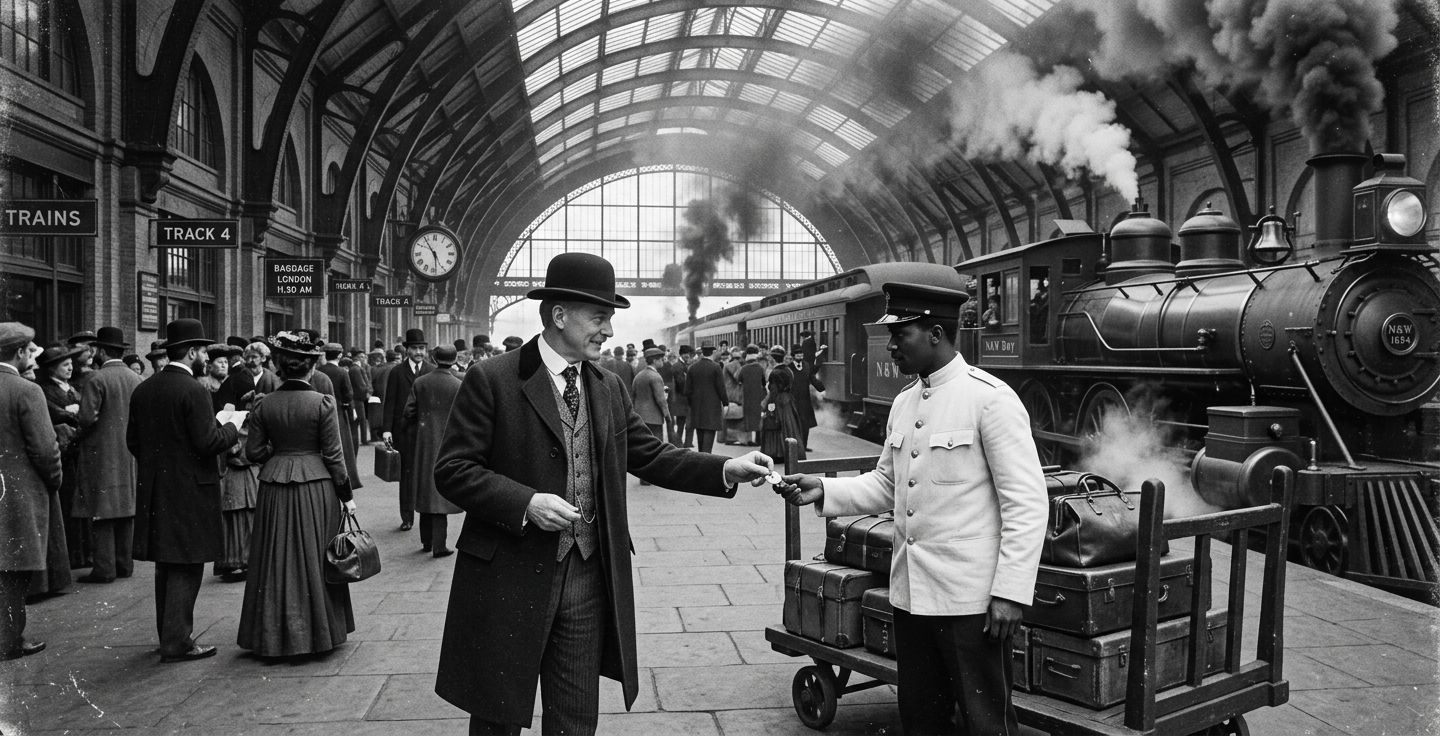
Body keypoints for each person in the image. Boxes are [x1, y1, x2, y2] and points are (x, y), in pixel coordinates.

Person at [431, 252, 774, 736]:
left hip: (589, 576)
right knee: (497, 716)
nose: (608, 330)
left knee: (576, 716)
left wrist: (726, 468)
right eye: (599, 317)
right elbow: (453, 470)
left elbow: (651, 455)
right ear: (559, 316)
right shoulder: (494, 379)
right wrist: (525, 502)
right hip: (509, 573)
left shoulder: (607, 386)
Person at [779, 283, 1048, 736]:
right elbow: (887, 483)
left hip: (971, 603)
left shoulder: (991, 400)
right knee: (922, 717)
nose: (891, 344)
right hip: (911, 597)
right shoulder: (905, 403)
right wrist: (823, 490)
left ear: (936, 334)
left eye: (901, 333)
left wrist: (1010, 593)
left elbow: (1026, 503)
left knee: (986, 725)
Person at [127, 318, 242, 663]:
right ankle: (178, 642)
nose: (206, 357)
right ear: (191, 352)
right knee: (187, 564)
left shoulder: (144, 389)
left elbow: (133, 442)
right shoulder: (194, 390)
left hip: (156, 490)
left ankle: (168, 635)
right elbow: (208, 443)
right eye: (203, 351)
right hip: (191, 490)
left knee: (166, 563)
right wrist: (232, 427)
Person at [237, 331, 356, 657]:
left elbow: (254, 451)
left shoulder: (263, 403)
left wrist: (281, 453)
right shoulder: (322, 403)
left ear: (280, 367)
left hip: (274, 486)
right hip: (316, 487)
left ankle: (273, 635)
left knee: (274, 558)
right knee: (316, 557)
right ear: (309, 369)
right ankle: (317, 633)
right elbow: (335, 457)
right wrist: (347, 496)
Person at [0, 323, 61, 660]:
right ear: (20, 352)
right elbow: (46, 449)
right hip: (18, 495)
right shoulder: (26, 390)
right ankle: (9, 639)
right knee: (14, 569)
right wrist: (54, 480)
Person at [75, 326, 143, 584]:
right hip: (129, 454)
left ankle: (104, 569)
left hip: (101, 454)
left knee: (102, 511)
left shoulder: (96, 379)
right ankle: (124, 564)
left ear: (102, 351)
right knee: (126, 509)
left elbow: (86, 418)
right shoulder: (135, 379)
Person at [402, 345, 464, 557]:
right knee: (440, 492)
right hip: (448, 443)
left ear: (434, 358)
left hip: (424, 443)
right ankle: (440, 545)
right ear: (455, 359)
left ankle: (426, 541)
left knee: (425, 489)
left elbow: (408, 412)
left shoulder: (420, 382)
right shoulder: (458, 384)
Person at [28, 346, 80, 598]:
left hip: (69, 454)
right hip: (57, 455)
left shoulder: (71, 389)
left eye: (71, 363)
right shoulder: (44, 390)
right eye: (64, 365)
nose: (70, 368)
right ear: (51, 369)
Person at [382, 328, 433, 532]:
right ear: (407, 350)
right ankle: (407, 517)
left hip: (425, 433)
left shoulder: (431, 370)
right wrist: (387, 430)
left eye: (421, 348)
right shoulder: (396, 372)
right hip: (403, 432)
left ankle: (426, 517)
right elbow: (390, 403)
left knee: (426, 474)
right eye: (415, 348)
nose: (419, 352)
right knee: (406, 475)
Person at [318, 342, 361, 497]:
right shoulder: (342, 372)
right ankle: (344, 477)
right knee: (342, 446)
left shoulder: (318, 371)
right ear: (340, 355)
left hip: (320, 410)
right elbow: (348, 394)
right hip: (337, 412)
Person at [631, 347, 669, 485]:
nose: (663, 362)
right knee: (655, 448)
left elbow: (633, 396)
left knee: (643, 449)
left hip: (640, 416)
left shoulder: (639, 376)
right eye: (661, 359)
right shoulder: (656, 377)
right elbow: (661, 400)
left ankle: (644, 478)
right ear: (655, 360)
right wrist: (667, 415)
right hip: (654, 417)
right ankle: (653, 476)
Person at [777, 344, 826, 451]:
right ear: (793, 356)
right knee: (794, 424)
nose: (800, 356)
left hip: (805, 400)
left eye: (801, 354)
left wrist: (822, 389)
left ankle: (803, 446)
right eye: (798, 354)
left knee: (805, 425)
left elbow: (812, 379)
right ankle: (794, 447)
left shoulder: (807, 366)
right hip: (792, 400)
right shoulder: (788, 368)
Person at [686, 343, 726, 453]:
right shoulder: (716, 367)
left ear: (702, 352)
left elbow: (687, 391)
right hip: (712, 408)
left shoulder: (692, 368)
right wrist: (725, 402)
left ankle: (701, 458)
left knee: (700, 434)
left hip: (697, 407)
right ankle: (707, 459)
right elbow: (721, 388)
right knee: (709, 435)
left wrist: (692, 403)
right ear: (713, 352)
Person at [738, 347, 767, 446]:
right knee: (758, 417)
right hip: (758, 395)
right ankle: (758, 439)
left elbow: (739, 379)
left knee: (747, 417)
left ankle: (747, 439)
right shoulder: (760, 368)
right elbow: (764, 381)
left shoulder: (743, 368)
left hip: (747, 395)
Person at [368, 349, 398, 444]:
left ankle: (376, 435)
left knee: (377, 415)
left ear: (386, 358)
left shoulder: (376, 368)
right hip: (393, 396)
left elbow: (371, 380)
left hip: (378, 396)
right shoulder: (398, 368)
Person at [667, 346, 692, 447]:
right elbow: (682, 384)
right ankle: (679, 443)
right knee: (681, 423)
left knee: (683, 422)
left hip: (682, 399)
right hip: (682, 399)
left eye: (688, 354)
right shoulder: (678, 367)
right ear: (681, 354)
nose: (688, 356)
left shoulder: (682, 365)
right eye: (685, 354)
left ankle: (681, 442)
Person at [347, 349, 373, 445]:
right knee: (361, 419)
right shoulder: (356, 369)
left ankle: (360, 438)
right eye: (361, 357)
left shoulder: (355, 369)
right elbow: (361, 385)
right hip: (358, 398)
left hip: (357, 397)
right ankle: (363, 439)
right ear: (356, 358)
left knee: (359, 419)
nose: (363, 359)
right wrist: (367, 393)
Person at [722, 346, 745, 443]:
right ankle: (731, 438)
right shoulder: (733, 364)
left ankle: (731, 438)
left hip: (730, 392)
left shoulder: (729, 364)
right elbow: (738, 376)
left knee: (732, 416)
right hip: (733, 393)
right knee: (733, 416)